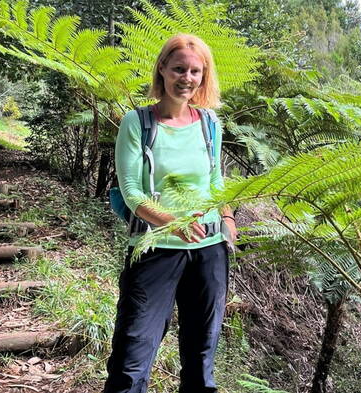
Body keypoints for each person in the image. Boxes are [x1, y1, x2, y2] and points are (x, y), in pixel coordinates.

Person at [104, 33, 237, 393]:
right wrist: (172, 224)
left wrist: (227, 219)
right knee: (133, 353)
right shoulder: (138, 123)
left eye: (196, 71)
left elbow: (215, 180)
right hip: (154, 249)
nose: (187, 78)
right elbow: (132, 192)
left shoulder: (209, 124)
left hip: (209, 251)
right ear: (162, 69)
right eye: (179, 69)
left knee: (200, 356)